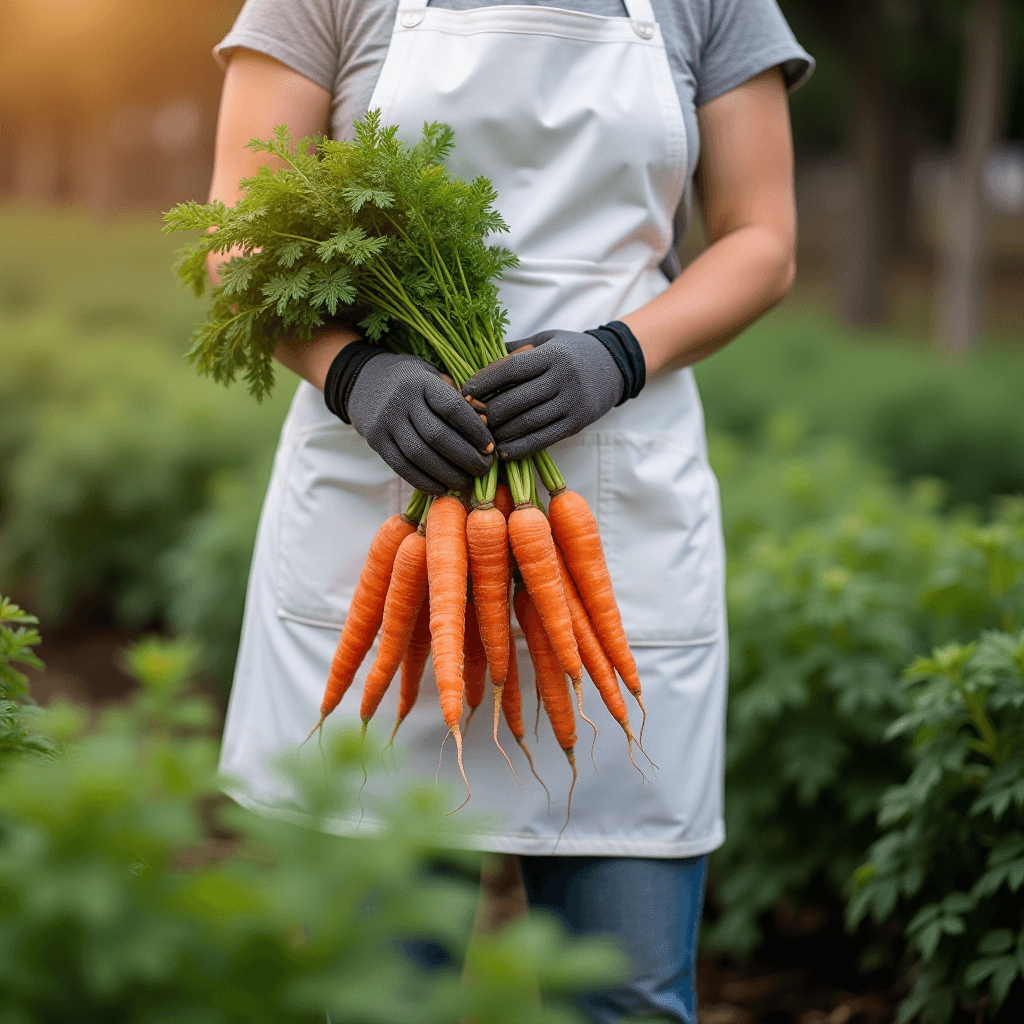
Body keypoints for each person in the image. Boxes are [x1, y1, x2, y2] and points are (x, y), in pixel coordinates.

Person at [207, 1, 812, 1020]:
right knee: (379, 995)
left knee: (624, 993)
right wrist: (353, 372)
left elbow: (762, 239)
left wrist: (620, 352)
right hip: (383, 508)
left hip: (613, 511)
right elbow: (236, 237)